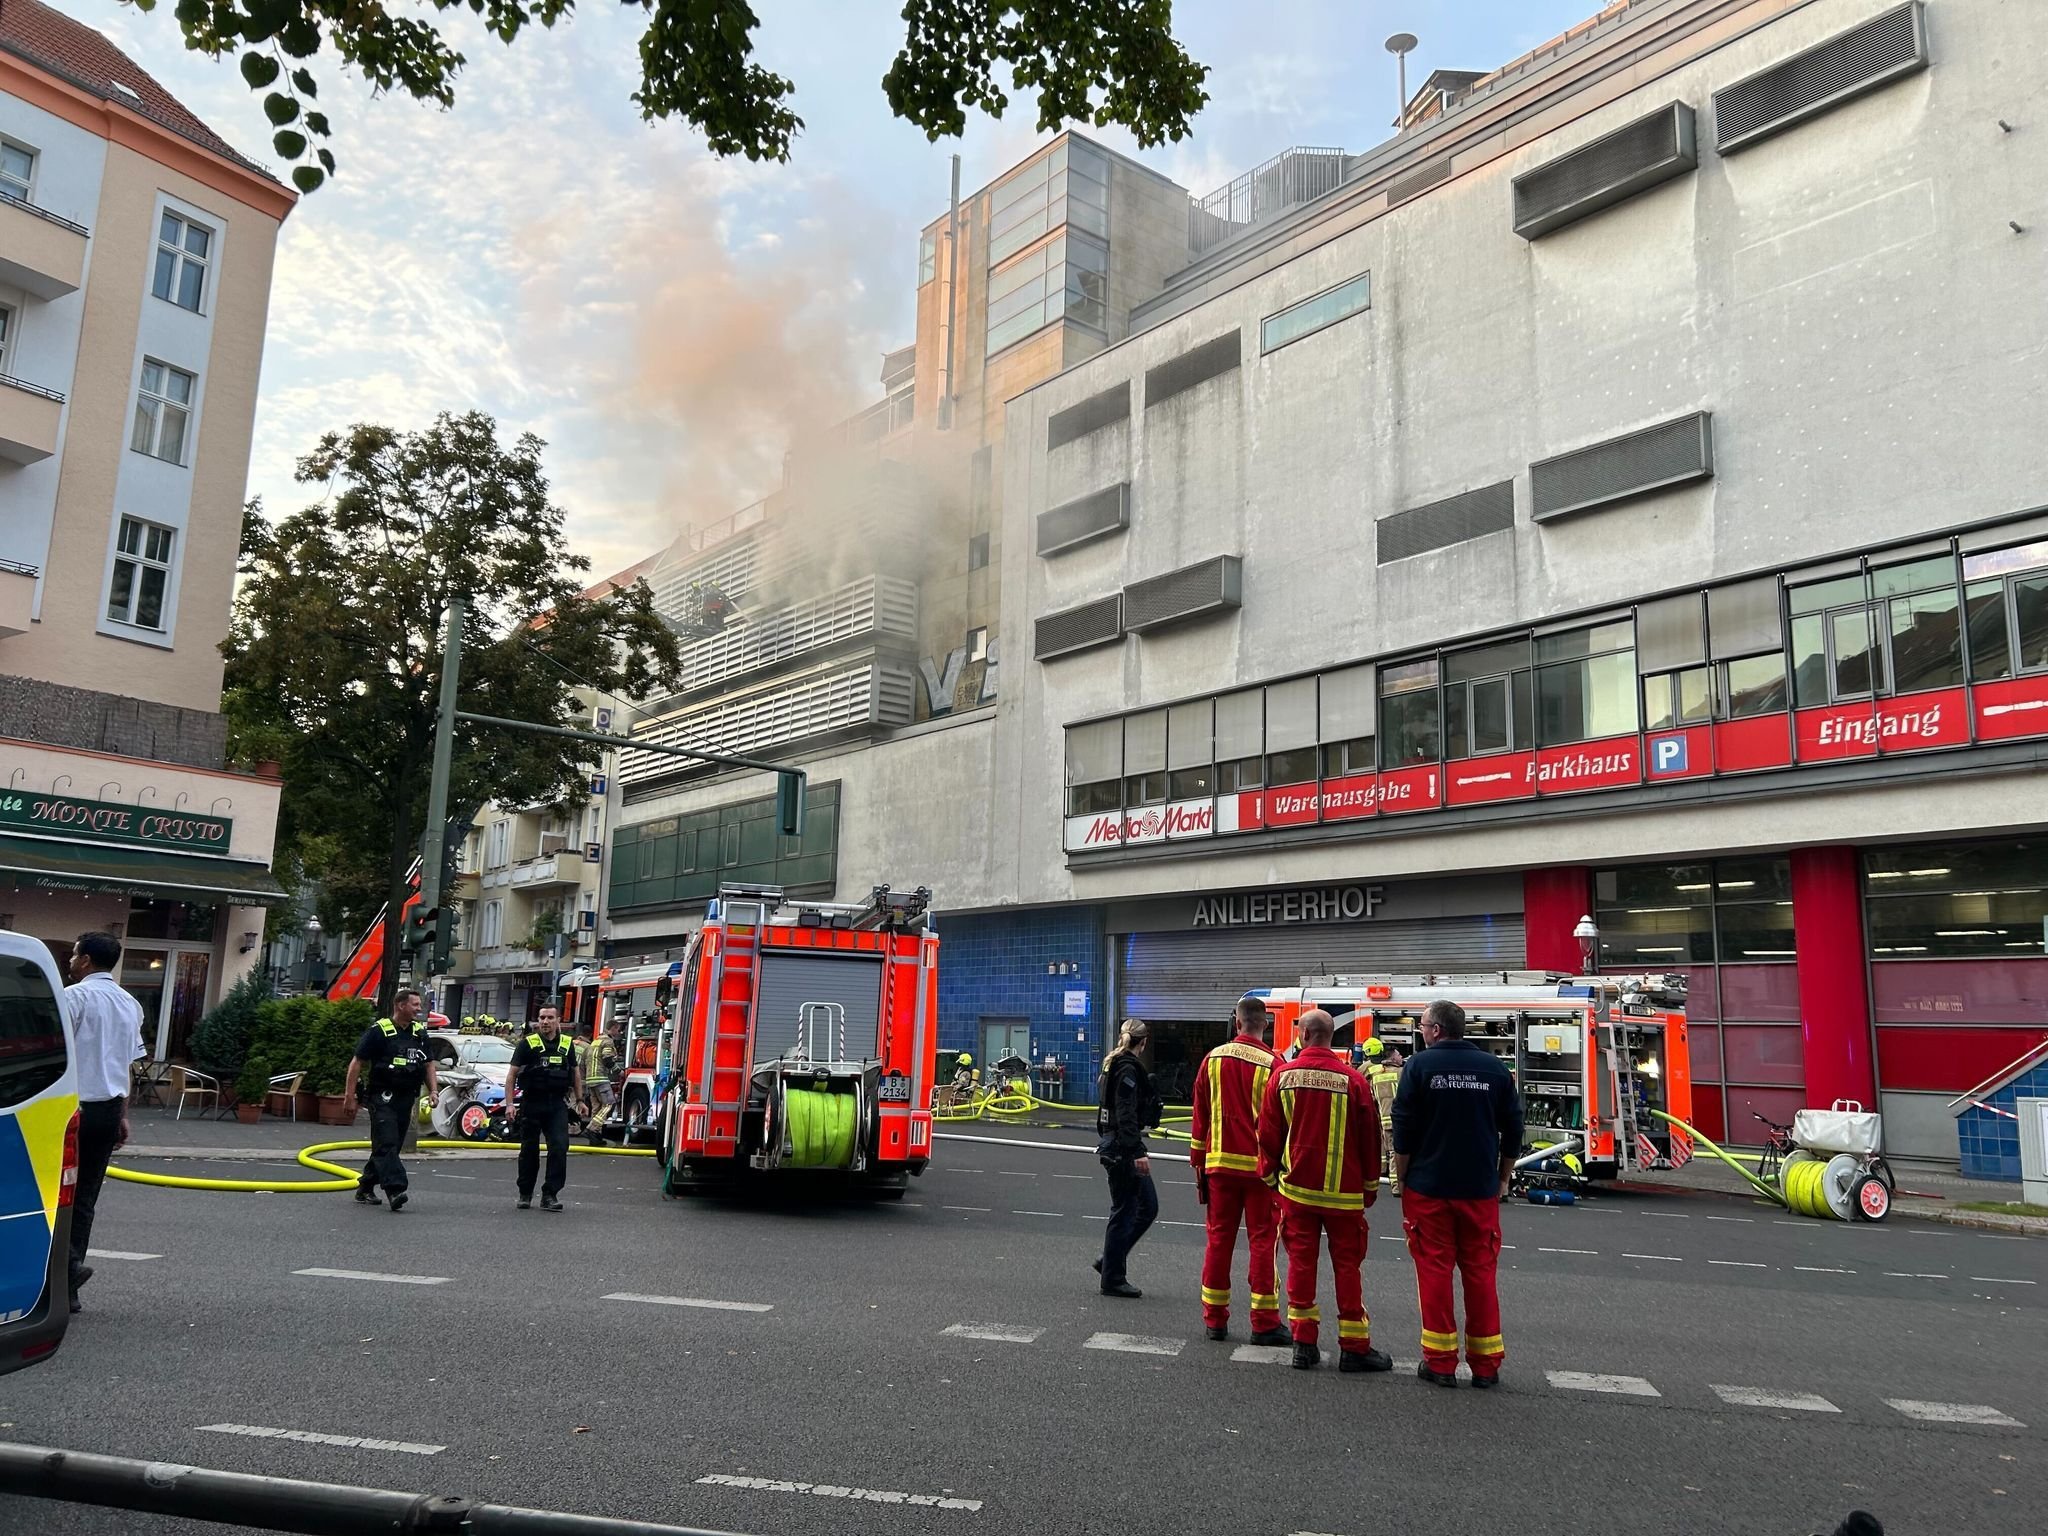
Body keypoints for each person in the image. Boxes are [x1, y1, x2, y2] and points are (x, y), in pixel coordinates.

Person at [1393, 999, 1523, 1389]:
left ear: (1435, 1029)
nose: (1419, 1032)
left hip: (1429, 1188)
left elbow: (1403, 1130)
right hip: (1478, 1189)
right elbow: (1514, 1129)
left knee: (1433, 1271)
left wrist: (1402, 1178)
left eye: (1421, 1026)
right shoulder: (1495, 1068)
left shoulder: (1418, 1066)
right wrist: (1502, 1178)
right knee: (1481, 1273)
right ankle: (1486, 1365)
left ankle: (1440, 1362)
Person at [1257, 1008, 1390, 1373]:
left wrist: (1271, 1178)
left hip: (1297, 1192)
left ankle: (1303, 1344)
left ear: (1302, 1035)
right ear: (1332, 1037)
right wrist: (1369, 1189)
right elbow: (1370, 1141)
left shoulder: (1282, 1077)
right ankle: (1354, 1348)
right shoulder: (1353, 1081)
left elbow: (1268, 1135)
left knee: (1301, 1264)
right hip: (1345, 1196)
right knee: (1347, 1268)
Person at [1188, 997, 1289, 1346]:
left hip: (1219, 1166)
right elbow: (1279, 1123)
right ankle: (1264, 1323)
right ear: (1265, 1025)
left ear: (1236, 1022)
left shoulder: (1212, 1059)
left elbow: (1199, 1116)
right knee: (1263, 1243)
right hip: (1259, 1172)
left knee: (1218, 1241)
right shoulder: (1274, 1064)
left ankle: (1214, 1320)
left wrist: (1198, 1164)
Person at [63, 932, 146, 1315]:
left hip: (71, 1110)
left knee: (54, 1192)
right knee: (86, 1196)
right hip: (109, 1107)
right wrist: (123, 1115)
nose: (70, 960)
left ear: (86, 961)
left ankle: (59, 1272)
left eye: (75, 954)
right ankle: (70, 1278)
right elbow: (126, 1065)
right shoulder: (130, 1004)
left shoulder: (73, 997)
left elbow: (58, 1053)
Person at [344, 988, 439, 1212]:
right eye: (415, 1005)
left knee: (390, 1146)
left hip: (407, 1098)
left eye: (419, 1005)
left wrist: (433, 1090)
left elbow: (428, 1065)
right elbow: (357, 1062)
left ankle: (365, 1187)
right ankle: (395, 1189)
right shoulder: (379, 1031)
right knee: (387, 1142)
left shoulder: (419, 1033)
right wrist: (350, 1096)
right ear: (400, 1005)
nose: (419, 1009)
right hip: (382, 1096)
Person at [1093, 1018, 1161, 1298]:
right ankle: (1112, 1277)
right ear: (1143, 1043)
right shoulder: (1128, 1069)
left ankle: (1110, 1263)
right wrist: (1137, 1152)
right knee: (1127, 1211)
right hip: (1122, 1148)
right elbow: (1125, 1113)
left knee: (1145, 1206)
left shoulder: (1114, 1065)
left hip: (1116, 1144)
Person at [507, 1005, 584, 1211]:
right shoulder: (527, 1044)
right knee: (529, 1150)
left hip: (557, 1104)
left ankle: (550, 1194)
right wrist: (509, 1105)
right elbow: (512, 1075)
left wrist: (580, 1099)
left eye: (550, 1017)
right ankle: (525, 1193)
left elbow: (575, 1073)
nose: (545, 1021)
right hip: (532, 1103)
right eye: (542, 1017)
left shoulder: (567, 1045)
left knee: (559, 1147)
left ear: (558, 1020)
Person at [1364, 1038, 1405, 1193]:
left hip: (1383, 1119)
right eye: (1399, 1054)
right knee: (1397, 1151)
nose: (1401, 1057)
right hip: (1399, 1119)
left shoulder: (1375, 1075)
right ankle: (1396, 1186)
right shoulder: (1401, 1073)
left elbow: (1372, 1097)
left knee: (1389, 1151)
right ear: (1393, 1058)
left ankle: (1383, 1172)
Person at [577, 1024, 618, 1138]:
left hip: (590, 1080)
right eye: (618, 1030)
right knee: (609, 1104)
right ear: (613, 1028)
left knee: (597, 1108)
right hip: (601, 1079)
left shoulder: (595, 1041)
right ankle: (592, 1128)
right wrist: (618, 1071)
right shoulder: (608, 1041)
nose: (619, 1033)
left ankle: (595, 1137)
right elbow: (607, 1059)